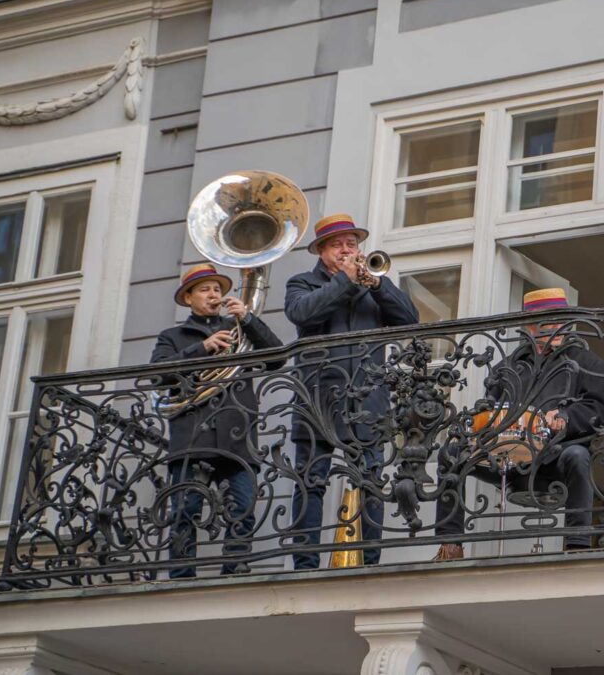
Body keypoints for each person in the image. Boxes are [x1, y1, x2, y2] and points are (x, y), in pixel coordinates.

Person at [433, 288, 604, 560]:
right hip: (509, 457)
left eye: (560, 319)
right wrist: (486, 426)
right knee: (452, 454)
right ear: (530, 325)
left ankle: (577, 545)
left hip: (556, 456)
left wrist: (564, 418)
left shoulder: (588, 362)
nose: (556, 326)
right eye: (548, 320)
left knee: (579, 455)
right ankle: (451, 545)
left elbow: (597, 409)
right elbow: (490, 407)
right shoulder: (508, 366)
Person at [284, 213, 419, 569]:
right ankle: (305, 564)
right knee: (310, 481)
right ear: (322, 251)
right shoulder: (302, 284)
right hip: (317, 396)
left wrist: (378, 284)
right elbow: (302, 314)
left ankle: (369, 561)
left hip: (367, 397)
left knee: (370, 481)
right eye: (338, 244)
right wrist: (343, 281)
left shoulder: (371, 285)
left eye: (352, 243)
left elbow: (409, 319)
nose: (347, 250)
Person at [151, 263, 283, 578]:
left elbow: (277, 357)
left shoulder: (239, 329)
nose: (214, 295)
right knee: (186, 510)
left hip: (237, 435)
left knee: (244, 507)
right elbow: (157, 374)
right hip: (193, 436)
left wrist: (249, 319)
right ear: (188, 298)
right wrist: (202, 349)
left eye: (217, 289)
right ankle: (180, 578)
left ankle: (234, 571)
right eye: (205, 289)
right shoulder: (173, 336)